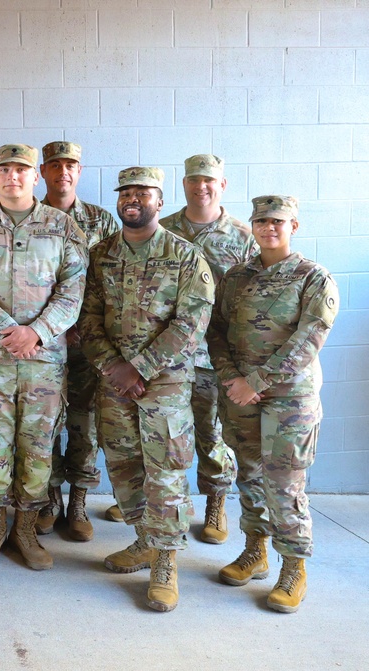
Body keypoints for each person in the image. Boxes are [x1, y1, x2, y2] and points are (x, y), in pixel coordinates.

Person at [78, 167, 215, 612]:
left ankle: (166, 562)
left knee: (165, 473)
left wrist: (140, 368)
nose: (132, 199)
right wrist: (113, 367)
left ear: (159, 200)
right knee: (122, 465)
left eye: (143, 193)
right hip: (113, 381)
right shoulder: (102, 254)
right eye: (126, 193)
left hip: (165, 384)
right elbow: (88, 318)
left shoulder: (186, 256)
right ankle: (144, 541)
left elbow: (190, 324)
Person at [0, 144, 87, 568]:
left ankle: (25, 529)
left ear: (35, 176)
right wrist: (9, 331)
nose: (13, 177)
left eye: (21, 170)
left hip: (43, 361)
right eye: (5, 170)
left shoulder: (63, 228)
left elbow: (73, 290)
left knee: (38, 446)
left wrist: (36, 333)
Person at [208, 195, 338, 614]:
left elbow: (308, 340)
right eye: (262, 221)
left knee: (284, 484)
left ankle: (294, 567)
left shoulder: (312, 277)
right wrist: (232, 379)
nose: (269, 228)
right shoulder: (235, 278)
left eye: (278, 221)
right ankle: (255, 551)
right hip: (240, 394)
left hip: (289, 399)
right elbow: (216, 333)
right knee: (247, 474)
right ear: (252, 225)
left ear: (293, 226)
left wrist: (256, 381)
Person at [159, 154, 257, 544]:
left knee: (212, 434)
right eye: (194, 180)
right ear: (184, 184)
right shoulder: (163, 229)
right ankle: (163, 502)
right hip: (165, 353)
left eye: (209, 180)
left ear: (223, 185)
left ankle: (215, 503)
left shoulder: (242, 236)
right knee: (162, 433)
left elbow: (252, 298)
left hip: (213, 356)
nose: (202, 187)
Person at [37, 140, 121, 540]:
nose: (63, 172)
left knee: (84, 422)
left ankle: (79, 502)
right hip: (43, 341)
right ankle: (50, 499)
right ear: (43, 173)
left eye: (70, 165)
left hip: (88, 342)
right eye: (55, 165)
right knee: (46, 422)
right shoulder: (30, 218)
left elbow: (113, 284)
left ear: (79, 171)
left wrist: (86, 327)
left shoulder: (102, 222)